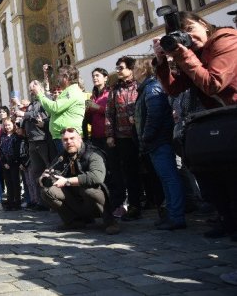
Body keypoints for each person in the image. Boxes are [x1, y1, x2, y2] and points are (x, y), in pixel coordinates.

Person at [154, 11, 237, 238]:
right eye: (182, 34)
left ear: (203, 23)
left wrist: (183, 54)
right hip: (220, 119)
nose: (189, 36)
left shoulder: (226, 40)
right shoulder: (196, 53)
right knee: (215, 173)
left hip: (232, 114)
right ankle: (226, 219)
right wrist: (162, 62)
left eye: (190, 29)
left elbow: (213, 84)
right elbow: (174, 88)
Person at [133, 57, 185, 230]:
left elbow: (154, 116)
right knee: (165, 179)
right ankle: (171, 214)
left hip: (159, 140)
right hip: (156, 140)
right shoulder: (147, 88)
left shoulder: (152, 88)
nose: (133, 71)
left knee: (170, 178)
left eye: (135, 68)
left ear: (142, 70)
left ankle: (176, 216)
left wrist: (147, 136)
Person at [39, 128, 119, 234]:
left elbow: (96, 177)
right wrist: (43, 178)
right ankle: (74, 221)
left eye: (72, 138)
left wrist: (67, 181)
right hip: (77, 198)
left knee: (89, 190)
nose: (69, 142)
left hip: (102, 197)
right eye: (65, 140)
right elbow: (53, 173)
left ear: (80, 138)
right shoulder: (62, 156)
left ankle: (110, 222)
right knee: (47, 191)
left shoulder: (93, 154)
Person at [105, 56, 141, 221]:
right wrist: (110, 135)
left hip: (142, 135)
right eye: (117, 67)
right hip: (123, 137)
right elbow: (109, 114)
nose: (118, 70)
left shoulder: (140, 86)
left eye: (121, 67)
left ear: (130, 69)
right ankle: (134, 206)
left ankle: (159, 204)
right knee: (130, 173)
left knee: (149, 172)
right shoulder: (115, 89)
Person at [29, 65, 86, 155]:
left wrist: (39, 94)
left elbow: (54, 108)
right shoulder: (67, 91)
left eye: (59, 75)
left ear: (66, 77)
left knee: (71, 166)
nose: (58, 78)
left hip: (69, 137)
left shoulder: (73, 91)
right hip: (61, 136)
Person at [21, 82, 52, 211]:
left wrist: (25, 115)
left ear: (40, 88)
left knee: (48, 171)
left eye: (33, 89)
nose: (31, 92)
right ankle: (41, 202)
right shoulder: (31, 104)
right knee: (36, 172)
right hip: (32, 140)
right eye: (30, 90)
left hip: (43, 139)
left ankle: (52, 201)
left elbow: (43, 117)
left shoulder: (46, 100)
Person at [0, 119, 27, 210]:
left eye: (9, 125)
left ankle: (17, 202)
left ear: (13, 125)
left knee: (15, 182)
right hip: (5, 163)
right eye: (6, 125)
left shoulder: (16, 137)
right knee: (8, 183)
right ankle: (10, 202)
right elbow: (0, 150)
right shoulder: (2, 137)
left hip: (14, 163)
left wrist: (11, 162)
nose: (7, 127)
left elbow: (17, 151)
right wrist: (4, 162)